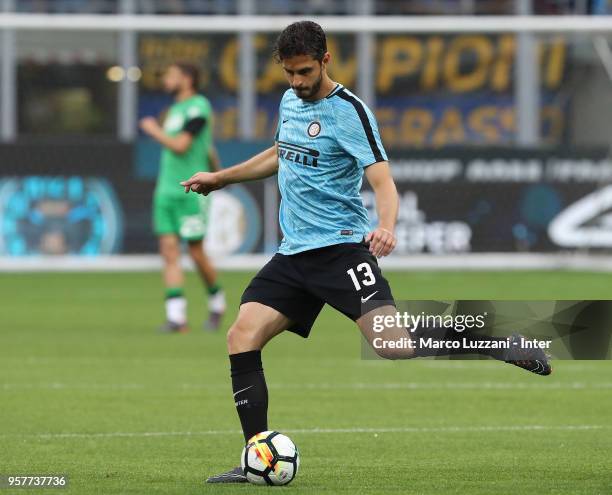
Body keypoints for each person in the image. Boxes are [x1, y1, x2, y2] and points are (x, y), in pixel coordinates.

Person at [180, 22, 552, 483]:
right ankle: (255, 458)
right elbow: (281, 152)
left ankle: (487, 337)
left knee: (392, 346)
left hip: (340, 251)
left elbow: (383, 181)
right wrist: (220, 179)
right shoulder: (289, 100)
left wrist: (387, 226)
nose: (297, 81)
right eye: (290, 73)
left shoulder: (350, 112)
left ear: (326, 60)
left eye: (305, 72)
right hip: (293, 254)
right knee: (241, 335)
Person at [140, 62, 226, 332]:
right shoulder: (174, 111)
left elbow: (181, 146)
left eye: (171, 75)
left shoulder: (199, 107)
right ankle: (176, 317)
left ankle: (217, 302)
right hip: (166, 189)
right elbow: (207, 148)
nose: (166, 79)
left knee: (195, 252)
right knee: (168, 251)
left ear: (187, 79)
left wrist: (154, 131)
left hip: (191, 190)